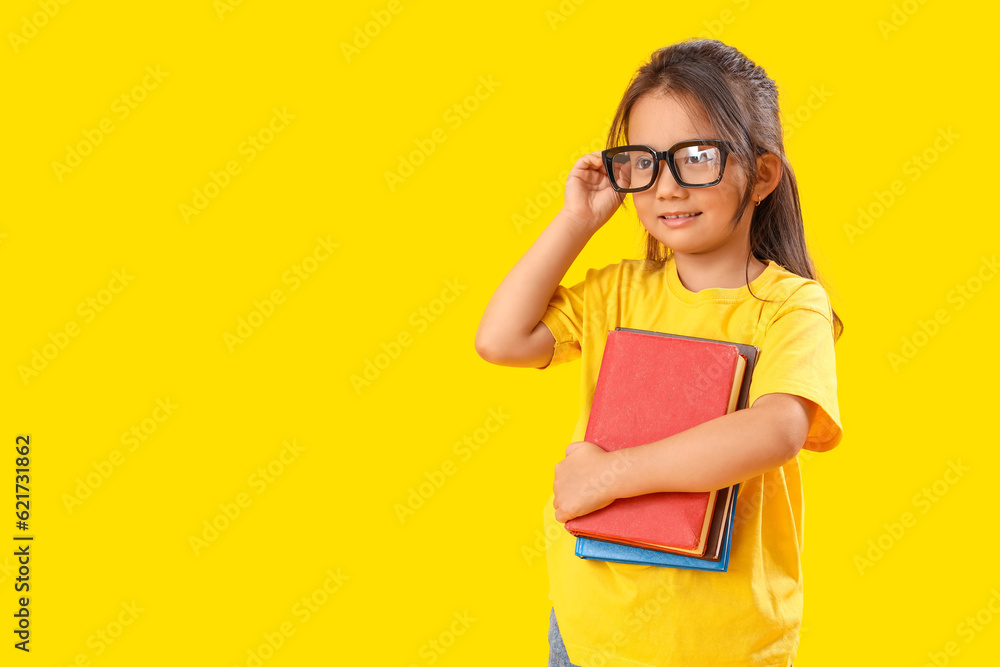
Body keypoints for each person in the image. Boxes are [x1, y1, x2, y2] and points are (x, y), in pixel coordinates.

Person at [475, 38, 842, 667]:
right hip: (590, 629)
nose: (667, 186)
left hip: (720, 646)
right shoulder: (617, 291)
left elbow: (777, 429)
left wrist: (607, 477)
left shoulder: (790, 305)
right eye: (643, 161)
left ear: (761, 174)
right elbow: (500, 340)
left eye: (696, 157)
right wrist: (576, 222)